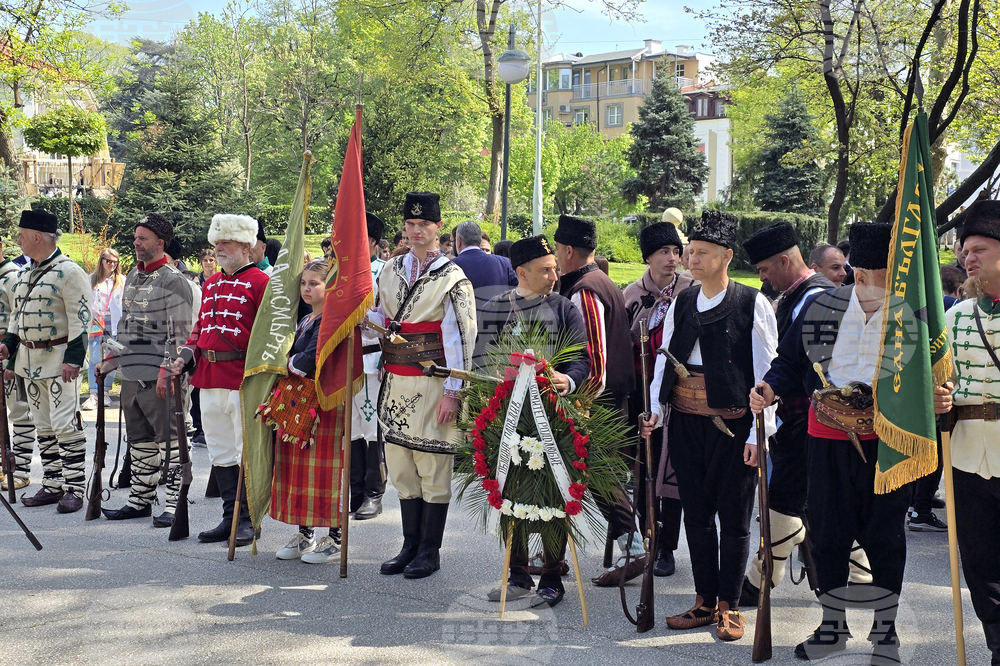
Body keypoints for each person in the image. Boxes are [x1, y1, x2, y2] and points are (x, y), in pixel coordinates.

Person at [750, 223, 912, 662]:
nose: (872, 282)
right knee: (827, 535)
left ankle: (885, 631)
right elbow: (789, 362)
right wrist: (769, 387)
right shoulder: (823, 308)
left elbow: (922, 380)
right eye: (869, 274)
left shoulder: (908, 313)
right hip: (826, 437)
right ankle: (832, 627)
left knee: (885, 538)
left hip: (887, 442)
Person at [640, 209, 778, 642]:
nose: (690, 259)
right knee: (696, 516)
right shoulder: (682, 301)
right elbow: (666, 359)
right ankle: (703, 600)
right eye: (689, 252)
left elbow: (767, 372)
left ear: (726, 256)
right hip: (685, 423)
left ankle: (729, 606)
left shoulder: (750, 302)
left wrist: (761, 433)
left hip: (736, 428)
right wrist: (656, 410)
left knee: (734, 520)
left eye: (701, 253)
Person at [364, 191, 476, 580]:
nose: (415, 231)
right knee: (402, 469)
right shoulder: (391, 270)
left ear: (438, 228)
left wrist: (453, 392)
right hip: (396, 382)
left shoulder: (453, 278)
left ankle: (430, 549)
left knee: (433, 469)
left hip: (433, 385)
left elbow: (460, 338)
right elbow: (381, 314)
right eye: (410, 225)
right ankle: (409, 544)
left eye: (423, 225)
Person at [476, 235, 590, 607]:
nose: (554, 275)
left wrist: (567, 380)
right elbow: (480, 361)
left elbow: (582, 361)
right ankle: (518, 573)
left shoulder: (565, 308)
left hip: (554, 417)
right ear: (521, 272)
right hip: (506, 417)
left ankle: (554, 576)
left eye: (555, 268)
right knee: (511, 492)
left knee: (556, 492)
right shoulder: (496, 308)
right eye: (545, 270)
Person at [738, 222, 834, 605]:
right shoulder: (796, 297)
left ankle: (760, 579)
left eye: (764, 269)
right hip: (793, 421)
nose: (762, 277)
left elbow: (807, 367)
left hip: (810, 421)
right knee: (792, 502)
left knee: (786, 501)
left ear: (784, 260)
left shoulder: (818, 299)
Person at [554, 214, 643, 587]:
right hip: (609, 396)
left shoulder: (585, 289)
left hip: (597, 400)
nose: (556, 258)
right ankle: (552, 554)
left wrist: (582, 402)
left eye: (558, 250)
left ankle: (635, 548)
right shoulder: (600, 280)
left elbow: (594, 357)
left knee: (598, 476)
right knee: (583, 476)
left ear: (570, 250)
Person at [173, 214, 270, 546]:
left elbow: (269, 335)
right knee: (220, 452)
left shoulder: (261, 282)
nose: (218, 249)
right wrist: (187, 356)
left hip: (242, 378)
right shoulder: (211, 283)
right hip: (209, 376)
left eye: (225, 243)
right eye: (216, 244)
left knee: (244, 451)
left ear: (245, 246)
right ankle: (230, 517)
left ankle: (247, 520)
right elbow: (200, 328)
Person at [97, 214, 195, 526]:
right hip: (132, 374)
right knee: (139, 441)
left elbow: (181, 334)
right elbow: (126, 328)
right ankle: (140, 500)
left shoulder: (174, 281)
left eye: (143, 238)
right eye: (136, 237)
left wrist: (169, 372)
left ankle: (174, 505)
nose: (136, 243)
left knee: (172, 441)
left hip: (160, 375)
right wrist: (110, 361)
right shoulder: (134, 278)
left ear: (160, 243)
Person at [0, 209, 92, 513]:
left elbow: (80, 320)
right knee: (43, 425)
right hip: (30, 361)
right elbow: (16, 317)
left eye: (21, 236)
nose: (18, 240)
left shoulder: (69, 272)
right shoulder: (24, 273)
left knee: (65, 424)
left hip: (59, 361)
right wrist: (8, 348)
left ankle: (75, 487)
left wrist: (74, 360)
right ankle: (52, 484)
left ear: (36, 237)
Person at [942, 199, 1000, 665]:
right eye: (965, 249)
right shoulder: (957, 317)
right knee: (981, 568)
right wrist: (940, 402)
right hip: (965, 458)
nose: (967, 258)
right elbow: (943, 385)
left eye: (979, 249)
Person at [622, 222, 696, 579]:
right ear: (648, 256)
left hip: (677, 395)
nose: (672, 258)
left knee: (672, 472)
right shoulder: (631, 294)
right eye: (664, 251)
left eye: (676, 251)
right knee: (642, 472)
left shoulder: (692, 290)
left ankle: (668, 546)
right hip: (639, 394)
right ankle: (646, 539)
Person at [272, 259, 344, 563]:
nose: (306, 288)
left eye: (314, 283)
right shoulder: (306, 319)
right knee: (300, 470)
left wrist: (283, 361)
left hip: (323, 402)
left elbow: (308, 360)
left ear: (329, 286)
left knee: (324, 471)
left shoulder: (330, 320)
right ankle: (306, 535)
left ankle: (336, 537)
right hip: (299, 401)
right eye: (304, 283)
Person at [350, 213, 389, 521]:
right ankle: (354, 489)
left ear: (372, 241)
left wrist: (364, 318)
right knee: (350, 428)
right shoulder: (340, 272)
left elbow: (389, 319)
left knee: (370, 425)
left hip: (371, 357)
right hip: (344, 361)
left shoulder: (384, 272)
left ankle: (373, 493)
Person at [0, 239, 36, 493]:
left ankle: (20, 469)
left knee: (19, 412)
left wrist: (13, 360)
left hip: (8, 354)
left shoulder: (12, 277)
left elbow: (21, 322)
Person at [83, 248, 124, 411]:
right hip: (96, 323)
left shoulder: (121, 280)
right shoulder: (91, 279)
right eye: (108, 261)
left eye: (115, 262)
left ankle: (105, 391)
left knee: (111, 358)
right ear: (101, 261)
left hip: (114, 323)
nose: (112, 265)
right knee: (94, 358)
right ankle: (93, 394)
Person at [450, 221, 518, 308]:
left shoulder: (450, 266)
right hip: (499, 319)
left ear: (459, 241)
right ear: (479, 240)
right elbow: (518, 291)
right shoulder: (505, 263)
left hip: (464, 320)